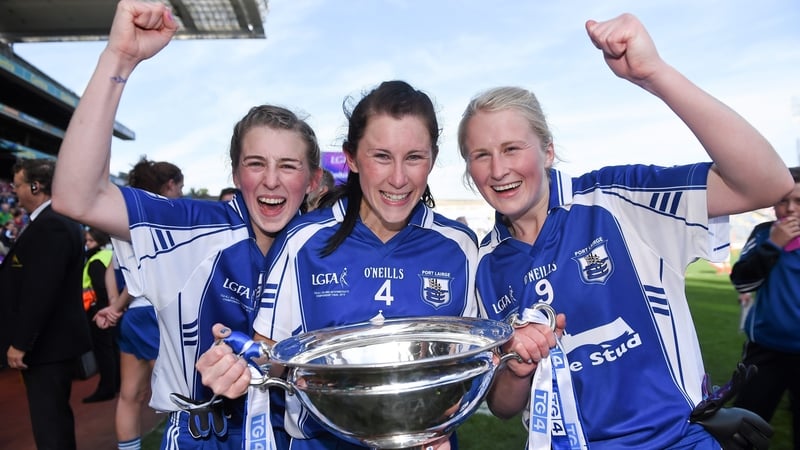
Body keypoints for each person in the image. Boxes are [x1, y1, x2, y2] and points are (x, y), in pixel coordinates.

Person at [456, 13, 792, 449]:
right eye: (480, 155)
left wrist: (655, 74)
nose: (498, 169)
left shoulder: (616, 199)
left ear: (548, 151)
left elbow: (767, 183)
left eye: (511, 149)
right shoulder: (483, 266)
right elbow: (503, 406)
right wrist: (518, 365)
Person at [51, 1, 322, 448]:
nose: (271, 181)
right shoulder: (192, 227)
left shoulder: (330, 247)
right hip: (205, 436)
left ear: (312, 179)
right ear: (236, 175)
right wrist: (119, 58)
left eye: (288, 166)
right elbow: (76, 196)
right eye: (256, 164)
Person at [196, 80, 478, 450]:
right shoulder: (304, 241)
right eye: (381, 156)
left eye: (414, 157)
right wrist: (237, 366)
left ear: (433, 159)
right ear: (351, 158)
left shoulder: (458, 247)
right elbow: (272, 355)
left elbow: (474, 363)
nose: (398, 178)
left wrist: (445, 414)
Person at [92, 156, 184, 449]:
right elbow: (140, 277)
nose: (181, 194)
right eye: (179, 187)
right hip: (153, 313)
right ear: (169, 185)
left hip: (133, 316)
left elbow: (112, 268)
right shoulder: (159, 218)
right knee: (182, 394)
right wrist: (116, 307)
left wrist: (113, 306)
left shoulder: (123, 214)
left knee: (130, 395)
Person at [0, 158, 90, 450]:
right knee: (51, 420)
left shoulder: (51, 224)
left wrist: (21, 342)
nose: (15, 192)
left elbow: (41, 290)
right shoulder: (54, 221)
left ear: (36, 186)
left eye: (19, 185)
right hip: (51, 343)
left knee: (50, 424)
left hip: (47, 346)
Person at [730, 166, 800, 448]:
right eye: (783, 200)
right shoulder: (763, 234)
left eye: (799, 202)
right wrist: (773, 246)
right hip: (766, 349)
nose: (789, 209)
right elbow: (743, 283)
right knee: (746, 428)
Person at [83, 226, 120, 403]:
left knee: (104, 352)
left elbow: (100, 288)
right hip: (112, 309)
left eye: (90, 241)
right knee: (113, 349)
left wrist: (102, 311)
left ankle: (107, 388)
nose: (87, 244)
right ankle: (116, 384)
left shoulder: (95, 260)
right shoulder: (110, 255)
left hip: (100, 312)